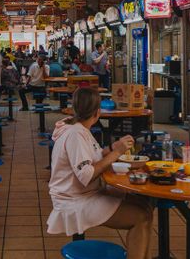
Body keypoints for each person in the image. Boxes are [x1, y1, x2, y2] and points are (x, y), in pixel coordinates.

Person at [47, 87, 153, 258]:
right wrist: (116, 153)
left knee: (146, 209)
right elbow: (87, 175)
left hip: (85, 193)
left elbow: (94, 155)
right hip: (74, 200)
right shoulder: (75, 134)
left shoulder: (79, 129)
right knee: (140, 218)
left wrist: (113, 147)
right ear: (97, 113)